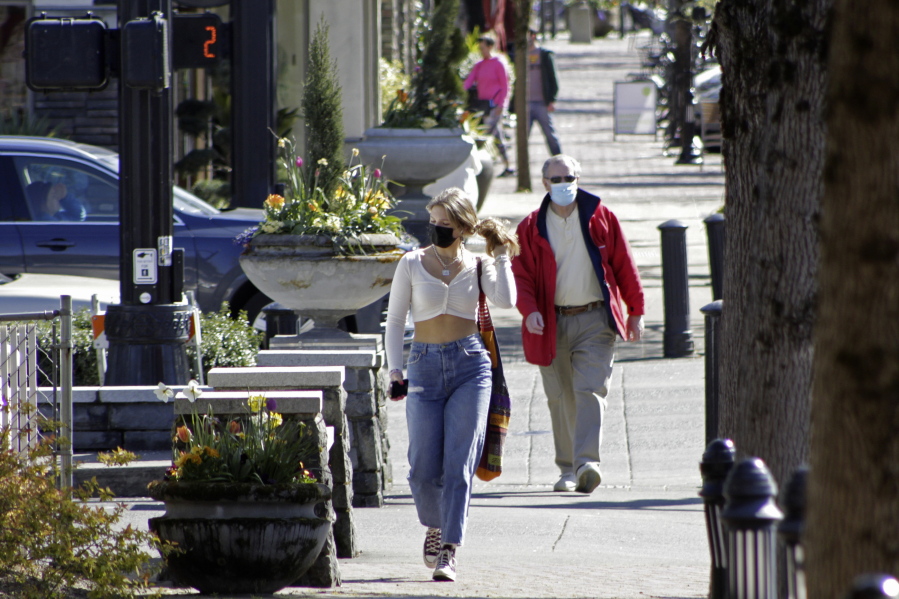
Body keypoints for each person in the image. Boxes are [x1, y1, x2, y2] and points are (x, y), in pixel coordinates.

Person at [384, 187, 518, 582]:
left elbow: (506, 301)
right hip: (423, 364)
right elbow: (394, 321)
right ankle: (435, 523)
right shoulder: (411, 263)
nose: (437, 229)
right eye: (434, 222)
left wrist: (501, 256)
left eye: (445, 224)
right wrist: (395, 370)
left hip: (471, 366)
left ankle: (449, 549)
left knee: (459, 464)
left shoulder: (478, 265)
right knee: (423, 468)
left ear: (462, 227)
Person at [511, 155, 644, 494]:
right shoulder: (529, 227)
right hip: (550, 322)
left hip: (595, 319)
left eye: (568, 177)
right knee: (560, 398)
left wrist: (636, 311)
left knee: (590, 390)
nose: (563, 184)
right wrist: (529, 311)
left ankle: (587, 463)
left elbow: (624, 263)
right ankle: (567, 470)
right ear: (544, 184)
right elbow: (521, 276)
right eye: (555, 179)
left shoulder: (601, 216)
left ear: (578, 178)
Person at [463, 34, 514, 177]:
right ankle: (508, 165)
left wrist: (501, 104)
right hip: (483, 105)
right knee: (497, 134)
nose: (481, 50)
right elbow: (469, 81)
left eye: (483, 47)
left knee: (486, 133)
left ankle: (481, 164)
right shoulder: (479, 65)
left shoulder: (499, 63)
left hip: (495, 104)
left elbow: (505, 86)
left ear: (490, 47)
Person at [526, 28, 562, 156]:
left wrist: (551, 100)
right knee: (523, 138)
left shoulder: (545, 55)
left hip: (542, 103)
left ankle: (559, 161)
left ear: (533, 36)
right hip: (525, 104)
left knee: (550, 136)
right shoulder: (519, 56)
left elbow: (553, 79)